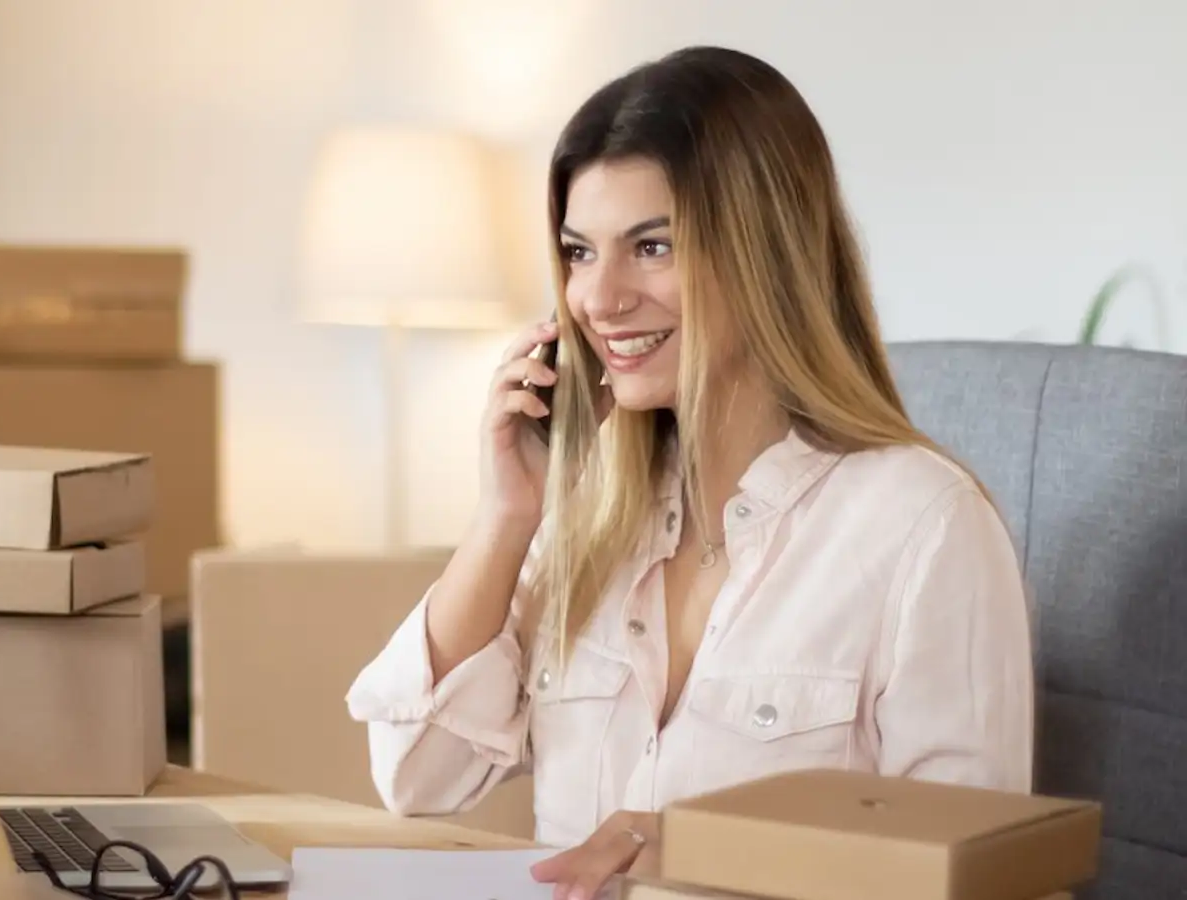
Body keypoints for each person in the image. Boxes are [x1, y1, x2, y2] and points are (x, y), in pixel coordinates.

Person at [344, 45, 1034, 900]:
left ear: (766, 254)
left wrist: (708, 851)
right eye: (580, 252)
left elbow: (976, 880)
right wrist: (505, 517)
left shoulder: (925, 528)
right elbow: (417, 779)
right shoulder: (590, 524)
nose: (598, 299)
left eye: (653, 245)